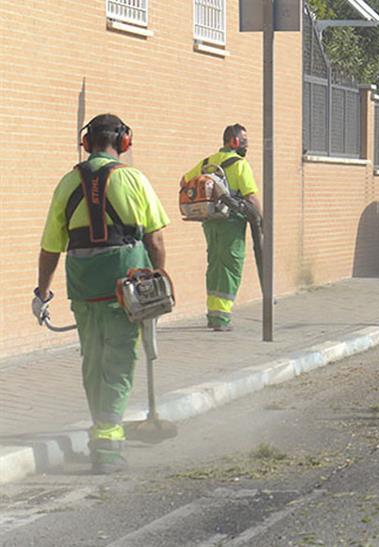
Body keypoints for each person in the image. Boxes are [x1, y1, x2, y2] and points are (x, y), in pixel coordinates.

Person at [34, 114, 169, 473]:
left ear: (86, 143)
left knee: (93, 360)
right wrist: (160, 277)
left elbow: (51, 247)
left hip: (82, 289)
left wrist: (41, 292)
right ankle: (107, 441)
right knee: (119, 361)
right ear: (124, 143)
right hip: (126, 288)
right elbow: (155, 239)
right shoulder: (134, 178)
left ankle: (100, 426)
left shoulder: (67, 183)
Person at [182, 124, 261, 331]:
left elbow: (184, 180)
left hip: (210, 221)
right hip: (231, 223)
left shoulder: (207, 162)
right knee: (230, 268)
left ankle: (212, 314)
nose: (246, 144)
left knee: (215, 266)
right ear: (234, 141)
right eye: (244, 140)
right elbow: (251, 196)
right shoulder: (239, 164)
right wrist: (262, 219)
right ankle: (222, 319)